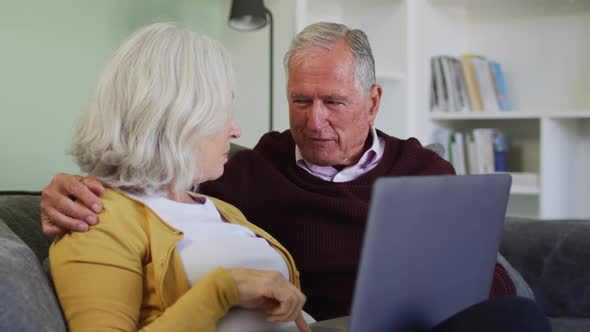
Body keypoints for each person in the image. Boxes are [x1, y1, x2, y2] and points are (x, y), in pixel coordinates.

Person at [42, 22, 550, 331]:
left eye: (334, 102)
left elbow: (478, 269)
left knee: (515, 318)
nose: (314, 120)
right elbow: (141, 176)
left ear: (372, 102)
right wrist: (69, 187)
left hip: (419, 325)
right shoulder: (245, 173)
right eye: (300, 102)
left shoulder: (425, 171)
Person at [48, 22, 311, 332]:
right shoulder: (96, 219)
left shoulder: (222, 208)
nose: (237, 130)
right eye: (223, 110)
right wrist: (222, 291)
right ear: (176, 116)